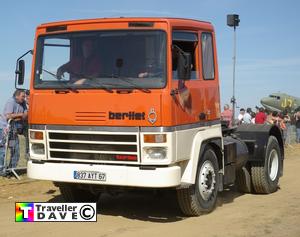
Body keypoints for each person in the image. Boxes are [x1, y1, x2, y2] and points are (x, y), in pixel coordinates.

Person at [1, 89, 28, 170]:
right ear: (16, 96)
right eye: (23, 96)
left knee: (15, 150)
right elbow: (8, 116)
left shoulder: (23, 103)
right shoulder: (11, 102)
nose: (24, 98)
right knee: (3, 150)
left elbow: (26, 114)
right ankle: (2, 169)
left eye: (25, 96)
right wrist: (20, 115)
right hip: (5, 129)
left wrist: (22, 115)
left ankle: (11, 169)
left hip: (16, 128)